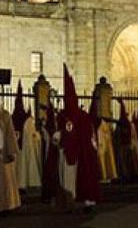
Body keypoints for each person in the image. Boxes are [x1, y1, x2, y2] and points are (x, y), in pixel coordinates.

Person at [54, 65, 100, 212]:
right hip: (71, 152)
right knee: (72, 179)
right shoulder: (68, 115)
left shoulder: (72, 116)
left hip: (75, 154)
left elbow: (71, 133)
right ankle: (73, 202)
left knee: (74, 179)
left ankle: (76, 202)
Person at [11, 83, 42, 190]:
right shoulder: (27, 119)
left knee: (17, 167)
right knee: (23, 167)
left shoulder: (11, 118)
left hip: (15, 148)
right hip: (24, 148)